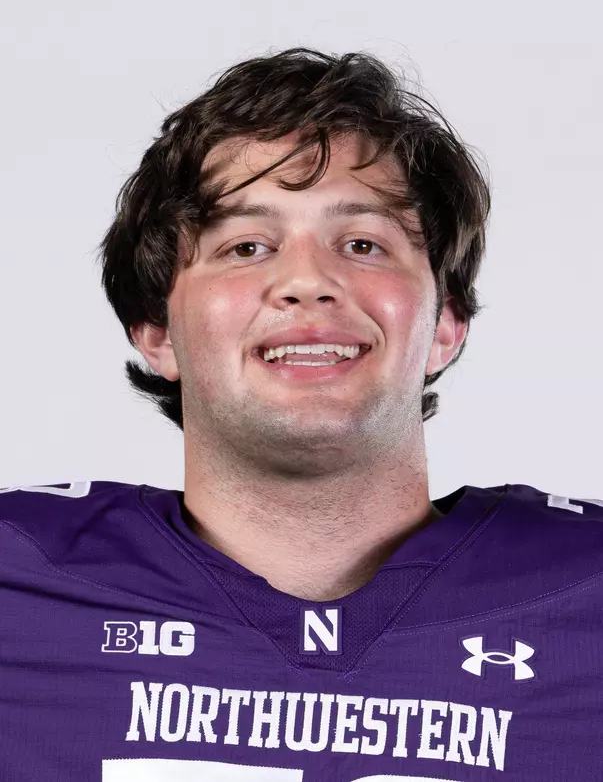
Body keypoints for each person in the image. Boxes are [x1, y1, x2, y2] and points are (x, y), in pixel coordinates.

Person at [0, 47, 601, 782]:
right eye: (246, 245)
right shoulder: (19, 588)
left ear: (446, 325)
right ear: (156, 331)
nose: (307, 281)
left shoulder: (585, 596)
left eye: (362, 243)